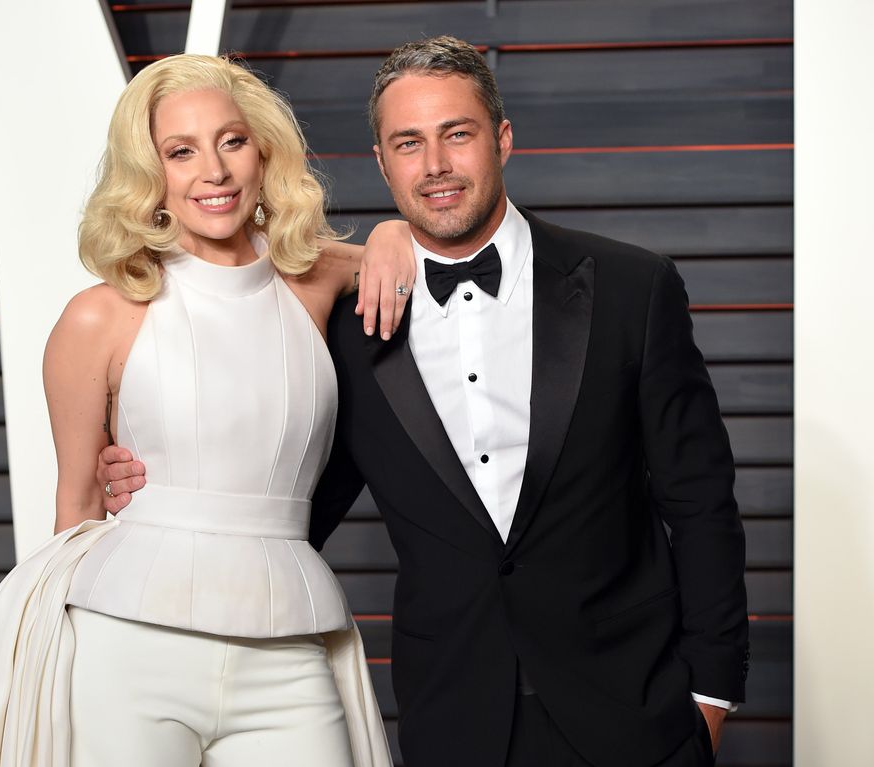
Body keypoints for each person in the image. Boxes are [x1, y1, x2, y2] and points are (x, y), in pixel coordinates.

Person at [101, 37, 750, 767]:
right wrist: (157, 490)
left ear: (502, 139)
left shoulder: (633, 287)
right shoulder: (338, 328)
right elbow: (283, 499)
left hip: (637, 713)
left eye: (457, 134)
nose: (434, 164)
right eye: (408, 143)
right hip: (455, 719)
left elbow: (701, 504)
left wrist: (712, 697)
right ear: (382, 161)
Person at [0, 54, 412, 767]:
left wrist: (389, 234)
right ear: (151, 173)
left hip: (286, 642)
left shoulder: (313, 282)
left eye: (230, 141)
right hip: (127, 650)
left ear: (262, 151)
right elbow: (76, 509)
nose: (214, 172)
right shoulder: (96, 318)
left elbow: (416, 247)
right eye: (181, 151)